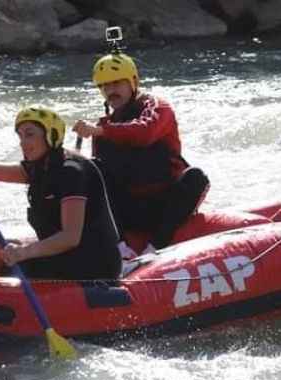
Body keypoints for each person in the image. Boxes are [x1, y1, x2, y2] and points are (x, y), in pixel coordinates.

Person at [0, 105, 122, 280]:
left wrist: (24, 252)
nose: (23, 142)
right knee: (9, 266)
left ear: (51, 135)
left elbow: (70, 237)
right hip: (66, 257)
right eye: (20, 136)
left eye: (30, 134)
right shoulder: (38, 168)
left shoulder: (71, 172)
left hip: (94, 264)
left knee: (14, 270)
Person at [72, 52, 210, 258]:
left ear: (134, 82)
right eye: (104, 86)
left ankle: (155, 248)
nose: (110, 91)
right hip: (129, 209)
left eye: (117, 83)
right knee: (92, 169)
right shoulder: (102, 128)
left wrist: (101, 131)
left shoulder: (157, 108)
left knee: (195, 177)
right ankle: (119, 248)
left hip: (164, 204)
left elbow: (145, 132)